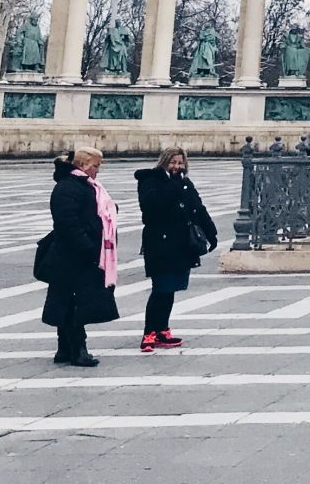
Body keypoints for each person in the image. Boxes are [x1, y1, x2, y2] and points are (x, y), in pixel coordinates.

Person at [41, 147, 119, 367]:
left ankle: (64, 349)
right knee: (75, 304)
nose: (98, 170)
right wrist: (87, 247)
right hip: (73, 257)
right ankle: (78, 350)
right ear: (83, 165)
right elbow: (68, 223)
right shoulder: (69, 187)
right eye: (96, 165)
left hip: (74, 256)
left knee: (68, 301)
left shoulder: (81, 186)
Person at [134, 147, 217, 351]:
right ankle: (149, 332)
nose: (177, 167)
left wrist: (211, 232)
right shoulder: (150, 180)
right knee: (160, 288)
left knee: (170, 289)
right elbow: (151, 207)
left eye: (180, 163)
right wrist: (175, 186)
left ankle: (162, 328)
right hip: (160, 243)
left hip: (181, 244)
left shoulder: (185, 183)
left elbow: (197, 208)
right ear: (164, 162)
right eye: (173, 162)